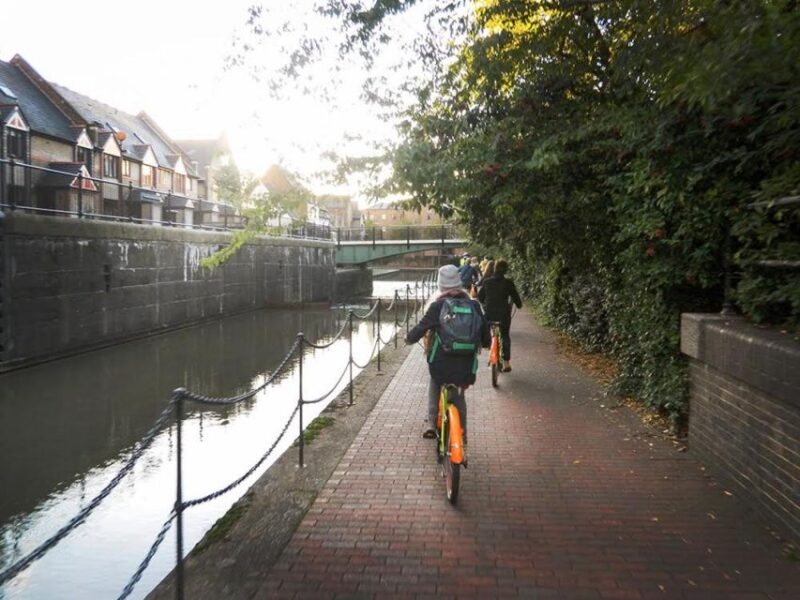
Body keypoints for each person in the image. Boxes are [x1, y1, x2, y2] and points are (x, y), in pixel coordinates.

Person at [406, 264, 490, 440]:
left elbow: (421, 328)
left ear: (440, 285)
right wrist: (485, 343)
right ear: (459, 283)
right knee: (459, 396)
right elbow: (486, 338)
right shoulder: (474, 306)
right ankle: (463, 437)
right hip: (466, 364)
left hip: (441, 362)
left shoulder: (438, 306)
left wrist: (409, 339)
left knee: (435, 381)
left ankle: (431, 423)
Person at [478, 259, 522, 372]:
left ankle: (487, 345)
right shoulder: (508, 283)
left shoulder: (487, 282)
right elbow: (517, 299)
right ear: (505, 270)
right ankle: (506, 363)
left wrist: (485, 303)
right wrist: (518, 304)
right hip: (503, 315)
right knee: (505, 335)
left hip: (489, 314)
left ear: (494, 269)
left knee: (488, 329)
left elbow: (480, 297)